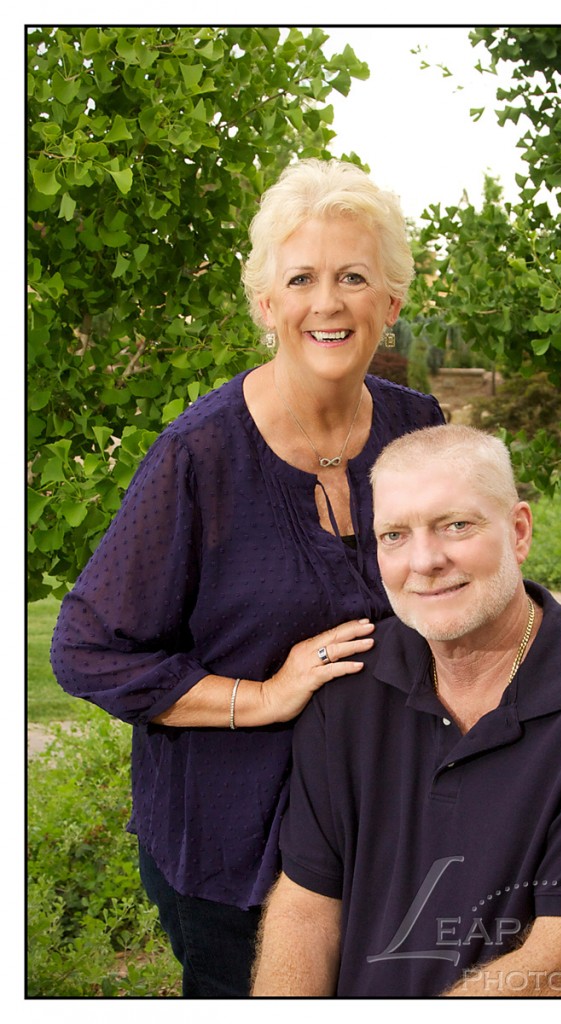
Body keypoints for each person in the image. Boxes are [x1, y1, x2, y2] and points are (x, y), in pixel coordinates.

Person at [50, 159, 444, 998]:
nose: (327, 302)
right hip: (234, 854)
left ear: (391, 304)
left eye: (353, 277)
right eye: (300, 278)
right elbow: (84, 650)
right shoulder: (200, 457)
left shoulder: (419, 428)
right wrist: (261, 696)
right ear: (267, 305)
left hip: (386, 839)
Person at [252, 424, 561, 998]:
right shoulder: (347, 686)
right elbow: (307, 905)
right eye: (394, 536)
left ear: (519, 530)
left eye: (456, 525)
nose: (424, 561)